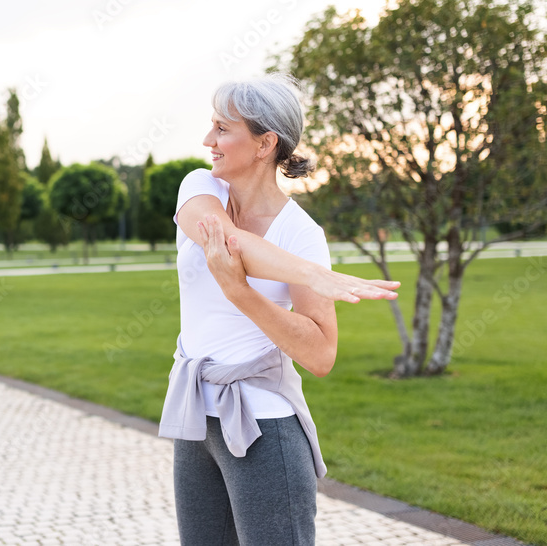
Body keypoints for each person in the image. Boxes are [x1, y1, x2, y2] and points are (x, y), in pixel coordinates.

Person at [158, 74, 400, 545]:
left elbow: (321, 355)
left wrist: (243, 292)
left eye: (223, 129)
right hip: (196, 414)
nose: (209, 140)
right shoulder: (200, 186)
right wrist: (312, 275)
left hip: (264, 427)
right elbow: (224, 240)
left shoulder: (301, 233)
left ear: (265, 142)